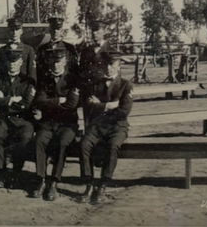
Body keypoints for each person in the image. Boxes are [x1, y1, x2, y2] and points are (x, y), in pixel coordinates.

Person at [78, 49, 133, 205]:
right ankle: (89, 184)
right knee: (84, 145)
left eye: (112, 64)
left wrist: (100, 105)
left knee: (113, 146)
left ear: (119, 65)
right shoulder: (95, 84)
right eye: (106, 65)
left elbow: (124, 111)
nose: (108, 68)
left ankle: (103, 184)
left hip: (117, 127)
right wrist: (109, 105)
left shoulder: (125, 85)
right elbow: (88, 106)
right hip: (97, 126)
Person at [33, 44, 81, 202]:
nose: (55, 64)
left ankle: (54, 182)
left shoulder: (73, 79)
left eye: (59, 61)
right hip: (48, 124)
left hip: (67, 124)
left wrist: (49, 103)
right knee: (39, 141)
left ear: (65, 61)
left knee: (62, 143)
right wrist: (59, 100)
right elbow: (39, 100)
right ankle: (40, 179)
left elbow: (72, 104)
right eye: (53, 61)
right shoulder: (45, 79)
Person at [0, 47, 38, 190]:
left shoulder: (28, 81)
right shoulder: (0, 80)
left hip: (23, 120)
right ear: (6, 63)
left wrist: (6, 100)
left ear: (21, 62)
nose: (12, 65)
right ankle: (1, 171)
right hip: (5, 119)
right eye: (10, 62)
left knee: (25, 137)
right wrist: (12, 99)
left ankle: (16, 172)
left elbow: (27, 104)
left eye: (15, 62)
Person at [0, 17, 37, 83]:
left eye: (17, 29)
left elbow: (32, 72)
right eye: (12, 30)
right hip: (6, 86)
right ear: (8, 31)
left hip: (22, 86)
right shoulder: (1, 51)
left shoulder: (29, 50)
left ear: (21, 31)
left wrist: (31, 88)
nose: (14, 33)